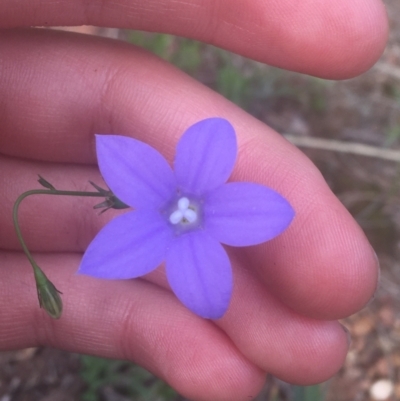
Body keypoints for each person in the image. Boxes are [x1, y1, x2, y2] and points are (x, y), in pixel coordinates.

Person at [0, 1, 388, 400]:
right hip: (153, 217)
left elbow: (262, 203)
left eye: (186, 209)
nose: (184, 212)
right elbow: (129, 156)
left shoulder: (225, 187)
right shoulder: (128, 167)